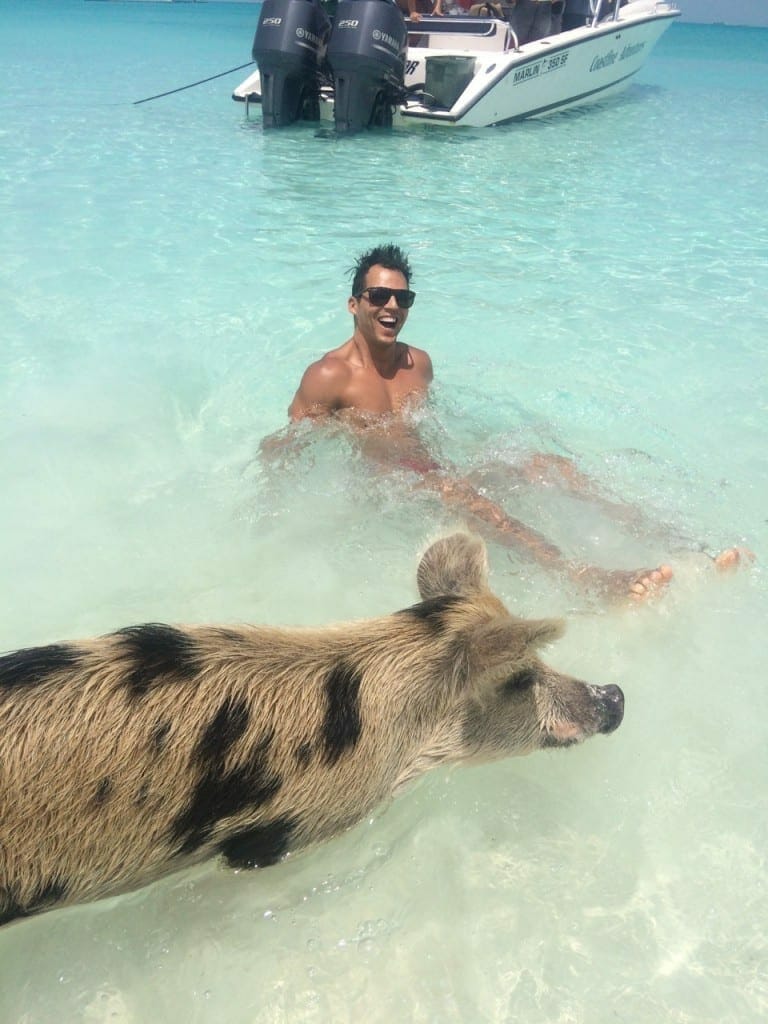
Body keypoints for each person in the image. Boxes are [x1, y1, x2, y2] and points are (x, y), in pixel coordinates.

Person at [283, 243, 750, 603]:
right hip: (394, 493)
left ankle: (693, 548)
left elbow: (436, 424)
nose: (392, 306)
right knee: (456, 492)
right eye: (379, 295)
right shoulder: (329, 375)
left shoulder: (418, 364)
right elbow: (293, 440)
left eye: (402, 297)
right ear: (354, 304)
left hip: (436, 472)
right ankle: (583, 580)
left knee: (546, 463)